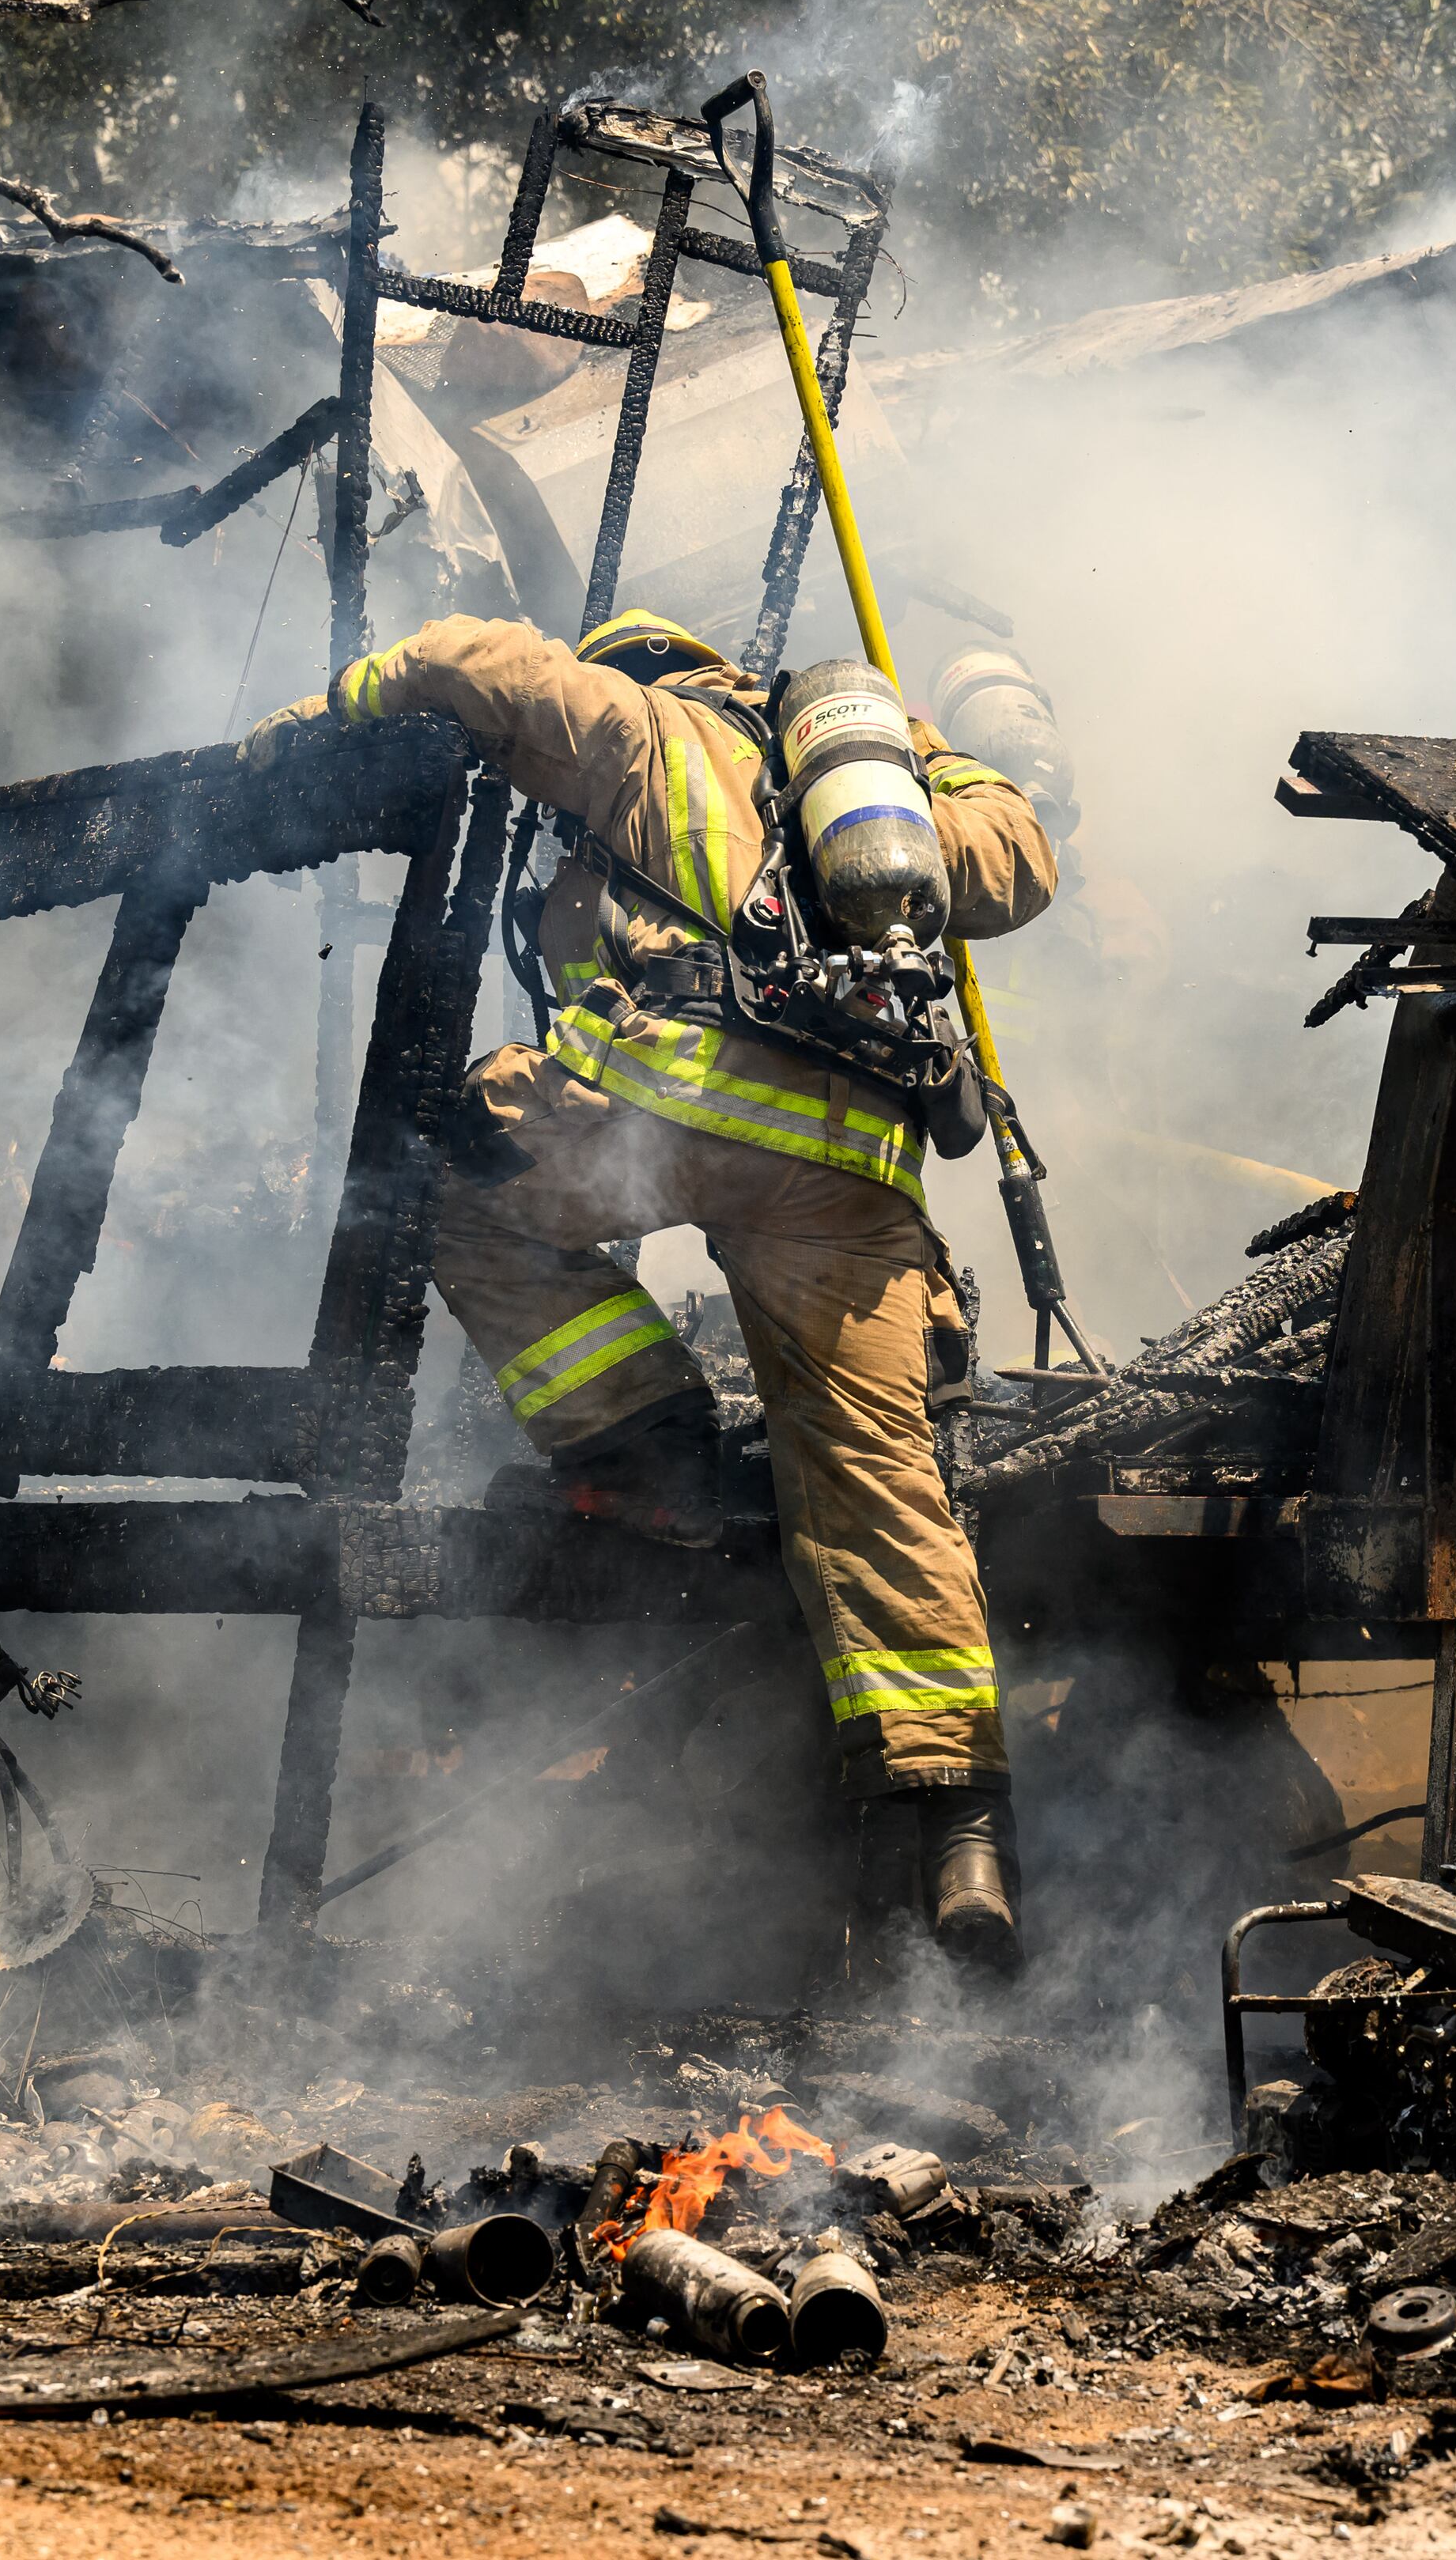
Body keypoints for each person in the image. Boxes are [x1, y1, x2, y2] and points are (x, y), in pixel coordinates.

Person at [246, 607, 1056, 1972]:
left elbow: (479, 664)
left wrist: (328, 711)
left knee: (440, 1188)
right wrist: (922, 759)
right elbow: (1022, 857)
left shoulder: (643, 729)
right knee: (875, 1482)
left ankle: (648, 1447)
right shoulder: (867, 797)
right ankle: (961, 1834)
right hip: (851, 1168)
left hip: (670, 1104)